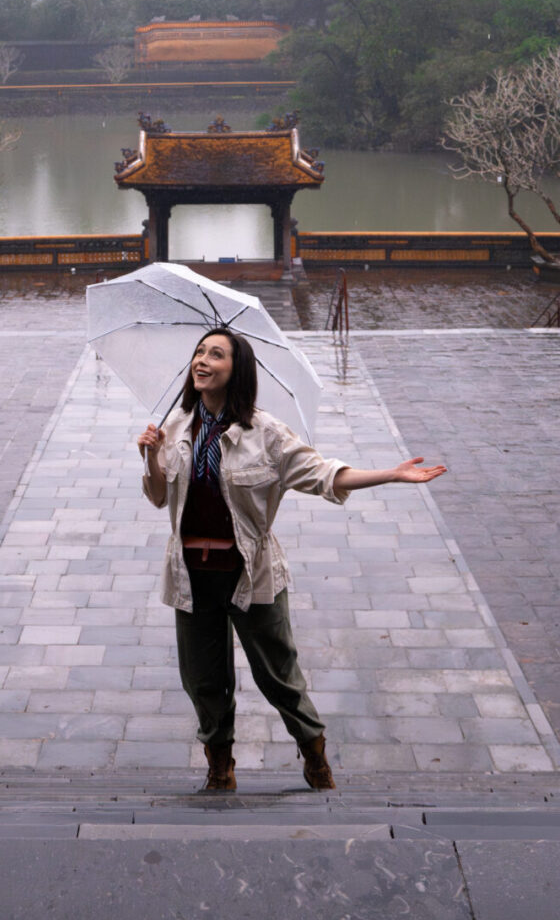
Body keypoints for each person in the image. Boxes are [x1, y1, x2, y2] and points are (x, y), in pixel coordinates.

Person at [137, 326, 447, 793]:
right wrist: (151, 460)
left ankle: (313, 752)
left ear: (235, 369)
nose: (202, 360)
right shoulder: (175, 427)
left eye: (215, 354)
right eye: (199, 352)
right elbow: (160, 499)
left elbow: (324, 474)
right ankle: (220, 767)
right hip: (191, 576)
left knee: (278, 675)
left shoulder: (267, 434)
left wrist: (391, 474)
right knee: (203, 680)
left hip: (250, 575)